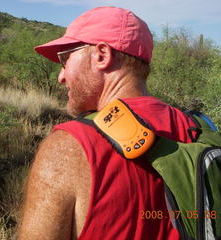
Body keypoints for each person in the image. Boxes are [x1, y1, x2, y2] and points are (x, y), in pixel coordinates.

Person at [17, 6, 198, 240]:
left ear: (101, 55)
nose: (61, 77)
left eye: (65, 59)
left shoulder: (69, 146)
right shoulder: (197, 127)